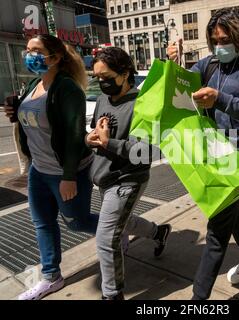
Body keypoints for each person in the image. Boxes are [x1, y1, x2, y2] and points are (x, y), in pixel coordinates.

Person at [167, 7, 239, 300]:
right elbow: (180, 86)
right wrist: (172, 64)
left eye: (225, 39)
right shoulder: (208, 64)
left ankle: (198, 299)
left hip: (237, 151)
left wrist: (221, 99)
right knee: (232, 209)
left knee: (217, 228)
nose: (219, 46)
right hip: (209, 147)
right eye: (214, 40)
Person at [4, 34, 98, 300]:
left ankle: (117, 231)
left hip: (68, 171)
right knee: (42, 223)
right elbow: (31, 119)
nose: (28, 55)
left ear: (55, 58)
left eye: (36, 51)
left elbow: (73, 135)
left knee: (77, 223)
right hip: (39, 170)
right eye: (27, 50)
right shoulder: (34, 84)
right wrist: (16, 112)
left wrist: (68, 177)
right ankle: (51, 277)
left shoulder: (67, 89)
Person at [85, 47, 171, 300]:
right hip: (104, 176)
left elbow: (148, 152)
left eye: (107, 77)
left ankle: (112, 294)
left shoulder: (141, 105)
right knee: (123, 223)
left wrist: (107, 142)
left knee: (106, 237)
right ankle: (158, 233)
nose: (102, 83)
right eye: (97, 77)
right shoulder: (102, 100)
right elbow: (96, 134)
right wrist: (89, 139)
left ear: (125, 74)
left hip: (128, 179)